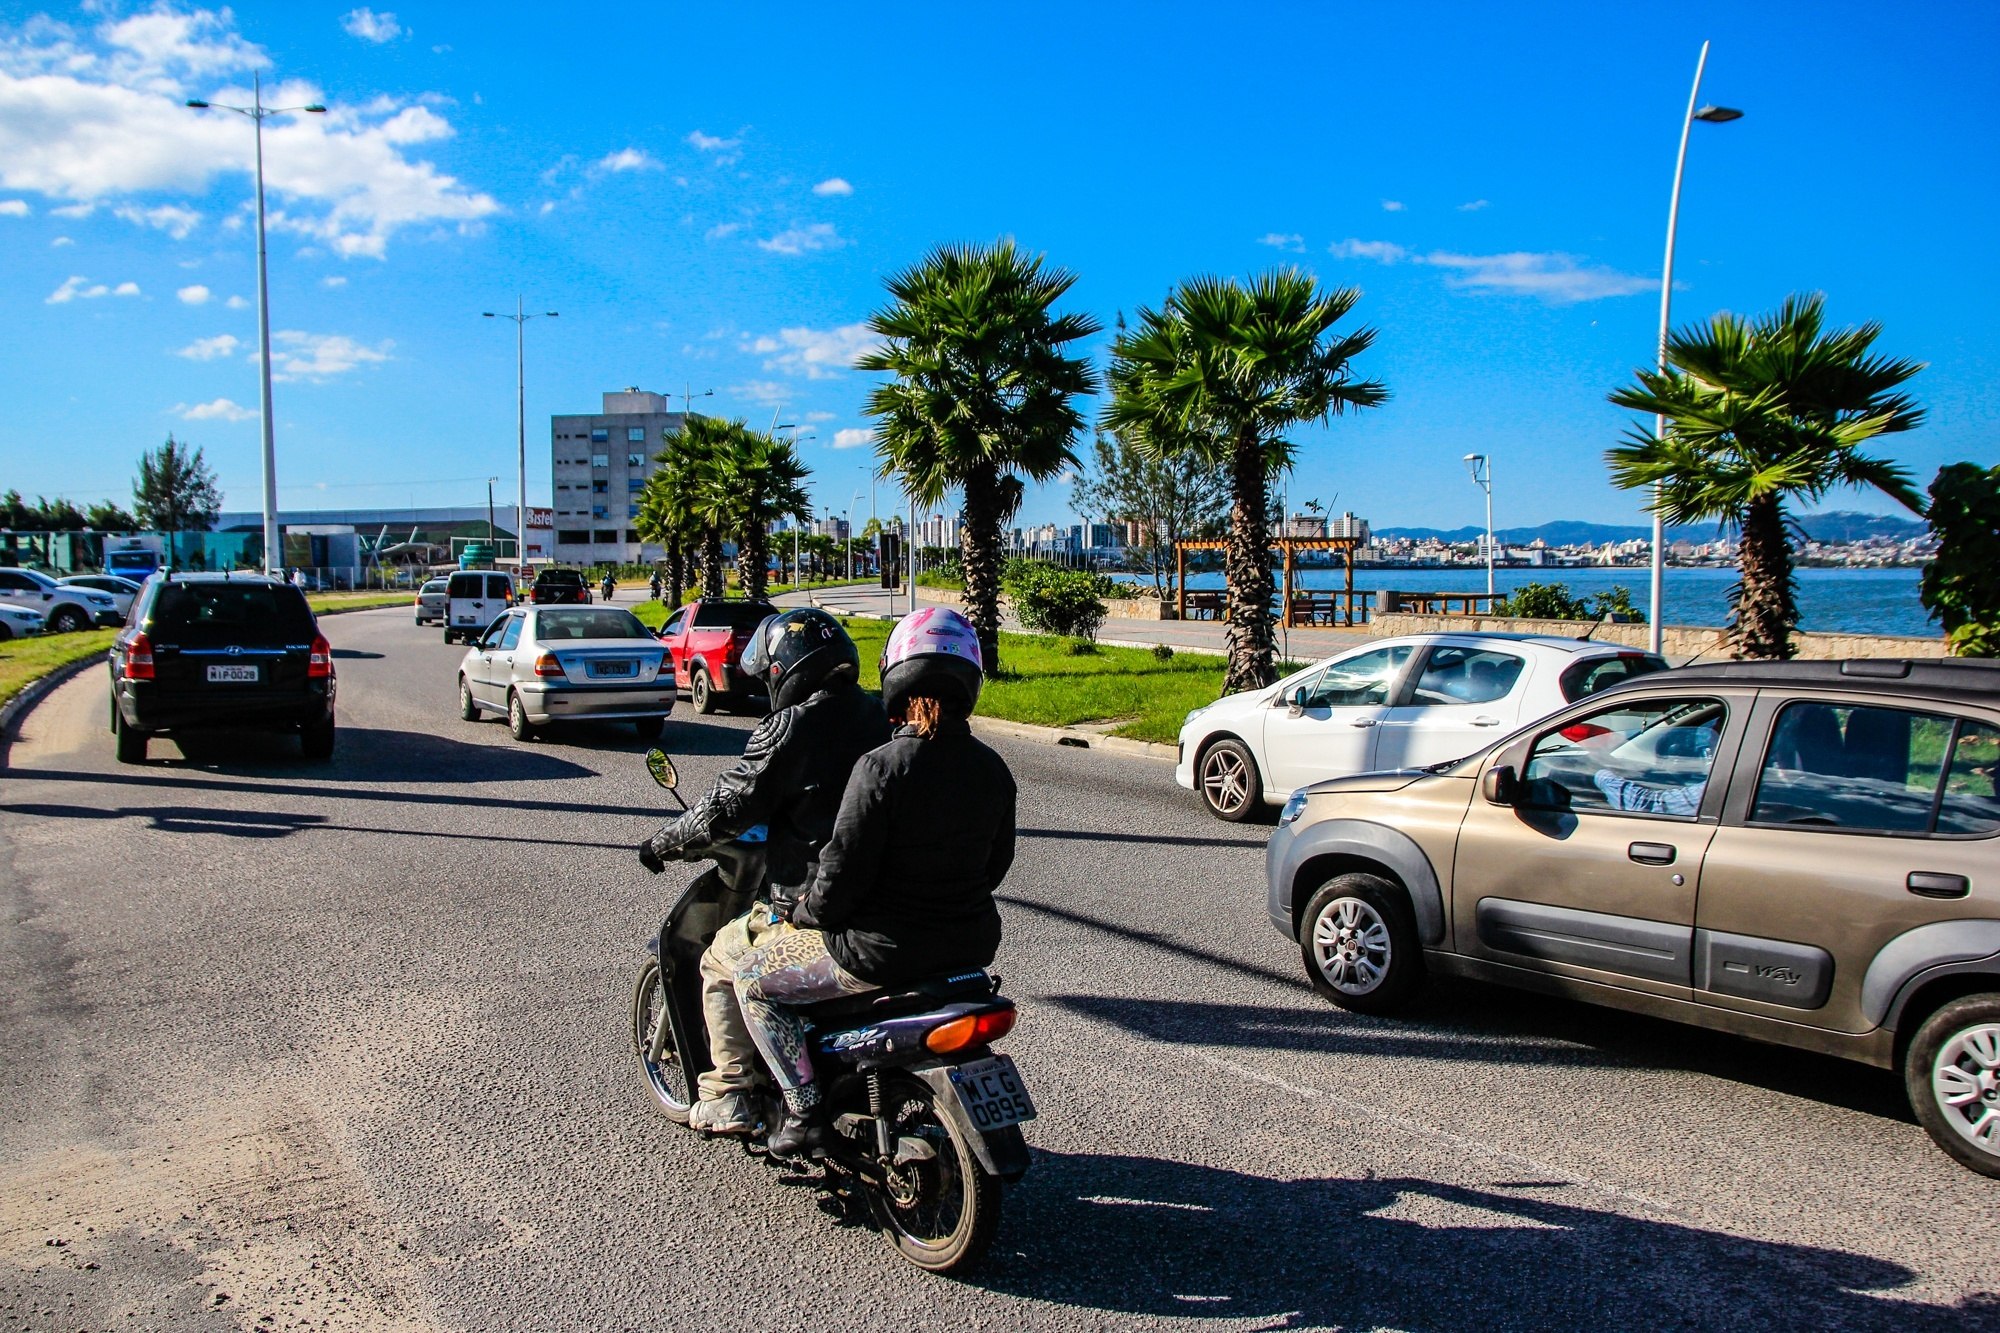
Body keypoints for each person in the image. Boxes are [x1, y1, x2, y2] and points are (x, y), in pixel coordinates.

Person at [734, 607, 1016, 1158]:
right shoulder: (992, 768)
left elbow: (841, 874)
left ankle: (803, 1108)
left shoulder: (881, 768)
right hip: (969, 947)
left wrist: (803, 912)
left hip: (878, 953)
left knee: (752, 981)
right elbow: (994, 867)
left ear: (896, 678)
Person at [637, 609, 888, 1135]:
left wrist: (664, 841)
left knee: (721, 956)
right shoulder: (880, 714)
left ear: (784, 670)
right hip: (885, 900)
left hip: (815, 903)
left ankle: (731, 1092)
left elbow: (726, 805)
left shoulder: (792, 726)